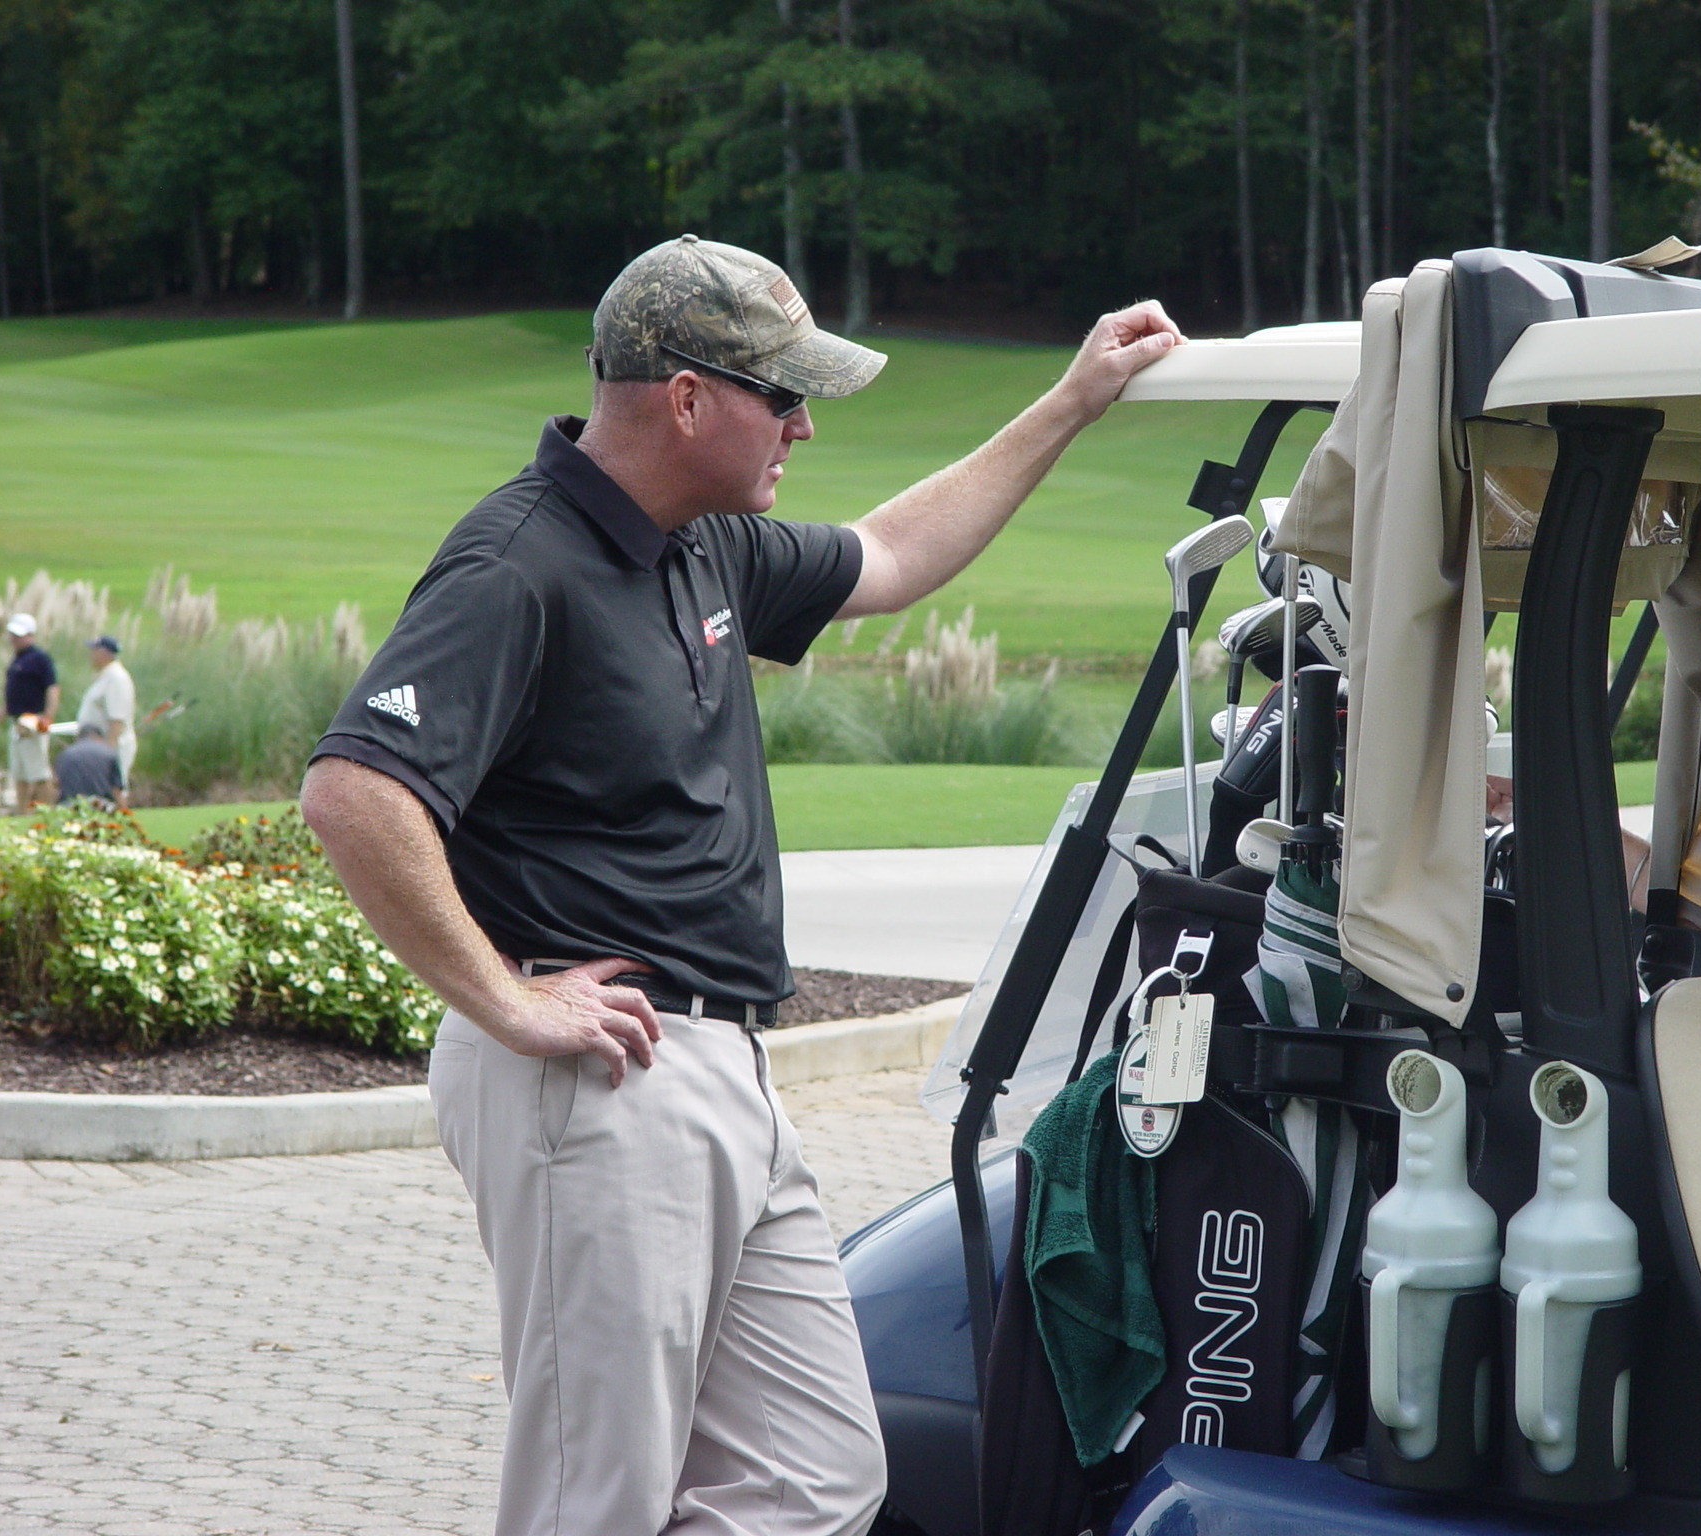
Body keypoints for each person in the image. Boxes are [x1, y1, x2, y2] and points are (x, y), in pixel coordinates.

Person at [299, 234, 1182, 1536]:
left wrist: (1068, 402)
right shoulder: (518, 562)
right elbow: (355, 791)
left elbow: (891, 556)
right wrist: (513, 1004)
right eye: (783, 395)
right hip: (599, 1082)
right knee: (590, 1503)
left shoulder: (703, 546)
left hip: (722, 1079)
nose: (807, 425)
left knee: (818, 1475)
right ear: (689, 398)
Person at [6, 613, 57, 812]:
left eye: (18, 636)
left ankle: (46, 812)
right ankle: (21, 812)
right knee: (19, 773)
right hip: (16, 721)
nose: (14, 640)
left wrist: (47, 716)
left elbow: (52, 687)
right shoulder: (17, 660)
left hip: (32, 720)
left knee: (38, 772)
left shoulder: (39, 659)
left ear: (30, 635)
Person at [74, 634, 137, 789]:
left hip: (112, 746)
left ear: (104, 653)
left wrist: (106, 755)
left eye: (94, 650)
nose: (90, 654)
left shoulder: (117, 678)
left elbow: (116, 720)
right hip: (95, 745)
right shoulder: (103, 676)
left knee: (113, 788)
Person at [55, 722, 125, 808]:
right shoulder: (109, 753)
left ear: (78, 738)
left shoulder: (65, 754)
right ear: (100, 738)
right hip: (100, 805)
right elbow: (116, 790)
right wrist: (124, 811)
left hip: (69, 805)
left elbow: (56, 785)